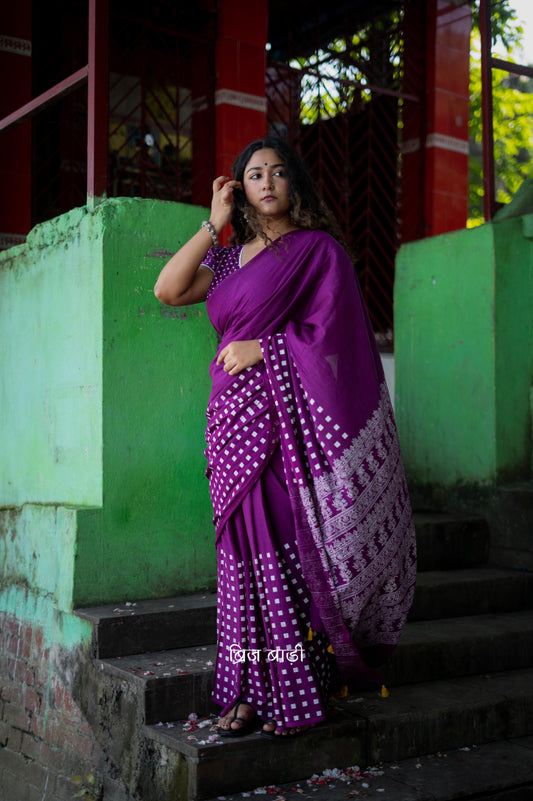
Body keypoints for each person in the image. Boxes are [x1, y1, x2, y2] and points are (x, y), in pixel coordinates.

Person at [154, 136, 417, 739]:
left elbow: (337, 340)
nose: (266, 182)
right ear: (240, 191)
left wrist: (266, 348)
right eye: (253, 175)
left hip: (285, 426)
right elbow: (168, 289)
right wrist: (213, 224)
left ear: (294, 184)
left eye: (277, 172)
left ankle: (294, 689)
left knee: (282, 560)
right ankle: (247, 692)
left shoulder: (320, 252)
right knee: (241, 565)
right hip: (228, 425)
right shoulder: (227, 260)